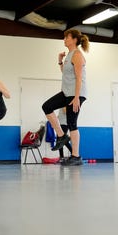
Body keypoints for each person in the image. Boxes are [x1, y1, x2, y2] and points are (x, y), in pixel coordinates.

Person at [41, 28, 89, 166]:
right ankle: (61, 136)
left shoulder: (77, 55)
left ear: (74, 40)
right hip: (66, 92)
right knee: (47, 106)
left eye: (67, 37)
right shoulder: (69, 55)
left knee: (72, 123)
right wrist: (60, 61)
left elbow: (79, 78)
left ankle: (76, 156)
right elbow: (65, 73)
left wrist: (76, 98)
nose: (64, 39)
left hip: (76, 93)